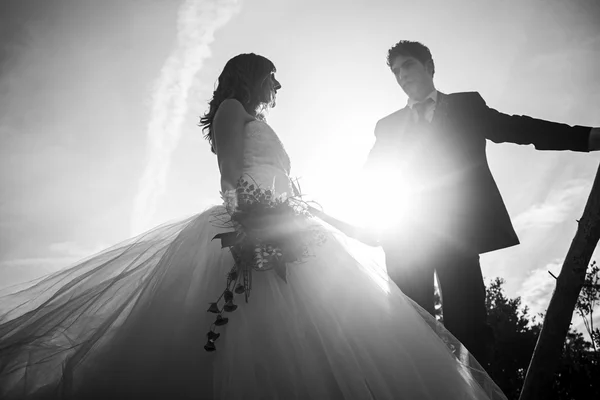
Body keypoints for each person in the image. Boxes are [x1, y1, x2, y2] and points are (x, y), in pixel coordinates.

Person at [0, 53, 507, 400]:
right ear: (251, 76)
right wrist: (254, 225)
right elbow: (228, 178)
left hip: (291, 231)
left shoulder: (254, 114)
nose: (279, 85)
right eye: (273, 75)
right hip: (252, 228)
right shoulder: (231, 108)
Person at [364, 40, 600, 368]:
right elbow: (371, 178)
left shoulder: (466, 106)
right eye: (396, 71)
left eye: (408, 65)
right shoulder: (387, 126)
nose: (402, 74)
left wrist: (586, 138)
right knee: (410, 330)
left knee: (469, 330)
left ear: (429, 66)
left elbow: (519, 128)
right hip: (404, 240)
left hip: (457, 238)